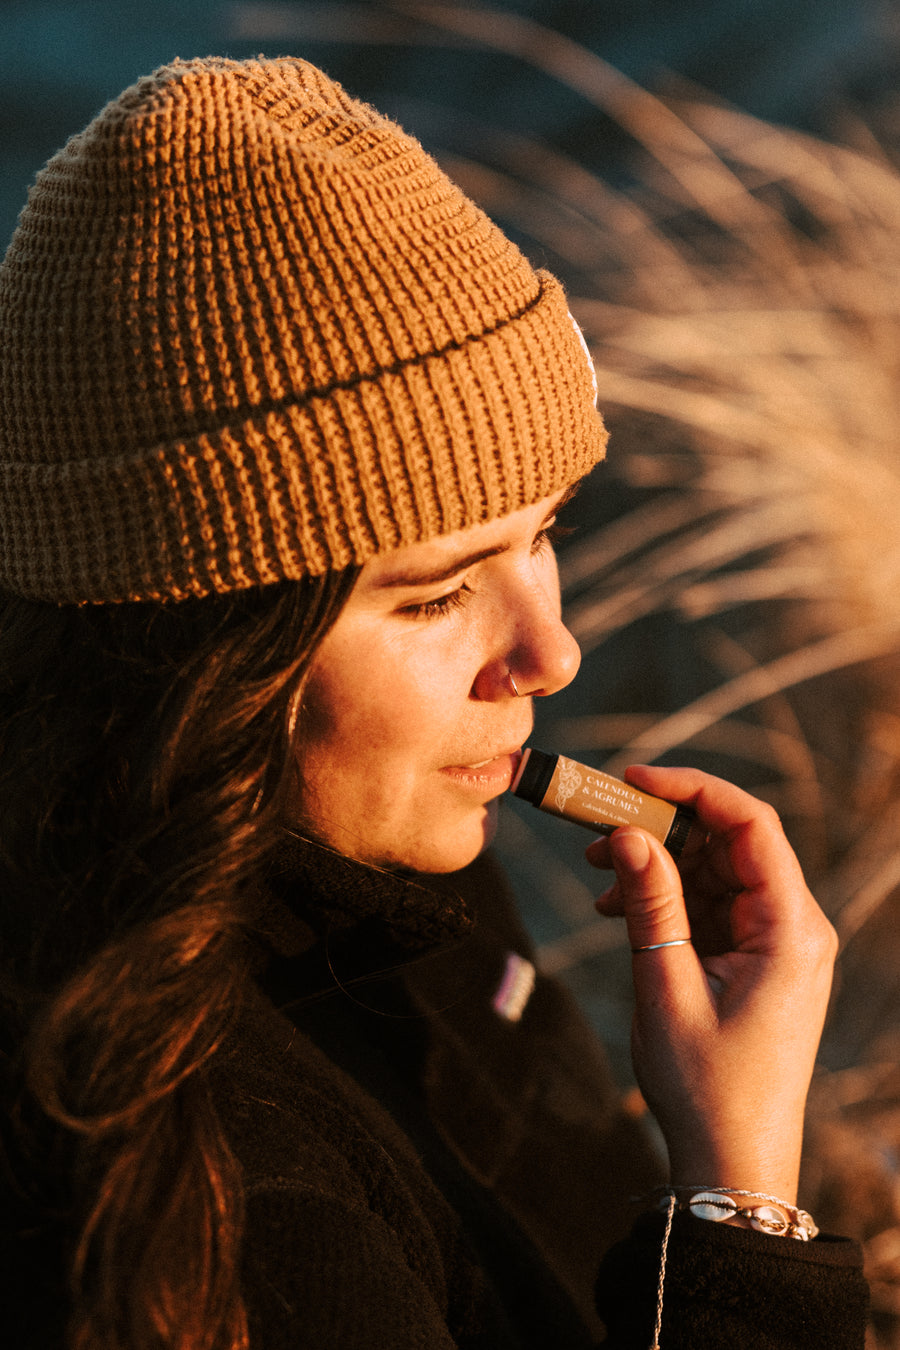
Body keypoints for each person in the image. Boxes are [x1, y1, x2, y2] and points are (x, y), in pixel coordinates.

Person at [0, 55, 868, 1349]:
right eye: (433, 595)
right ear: (207, 637)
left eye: (545, 534)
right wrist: (743, 1208)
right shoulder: (229, 1211)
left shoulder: (364, 843)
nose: (550, 651)